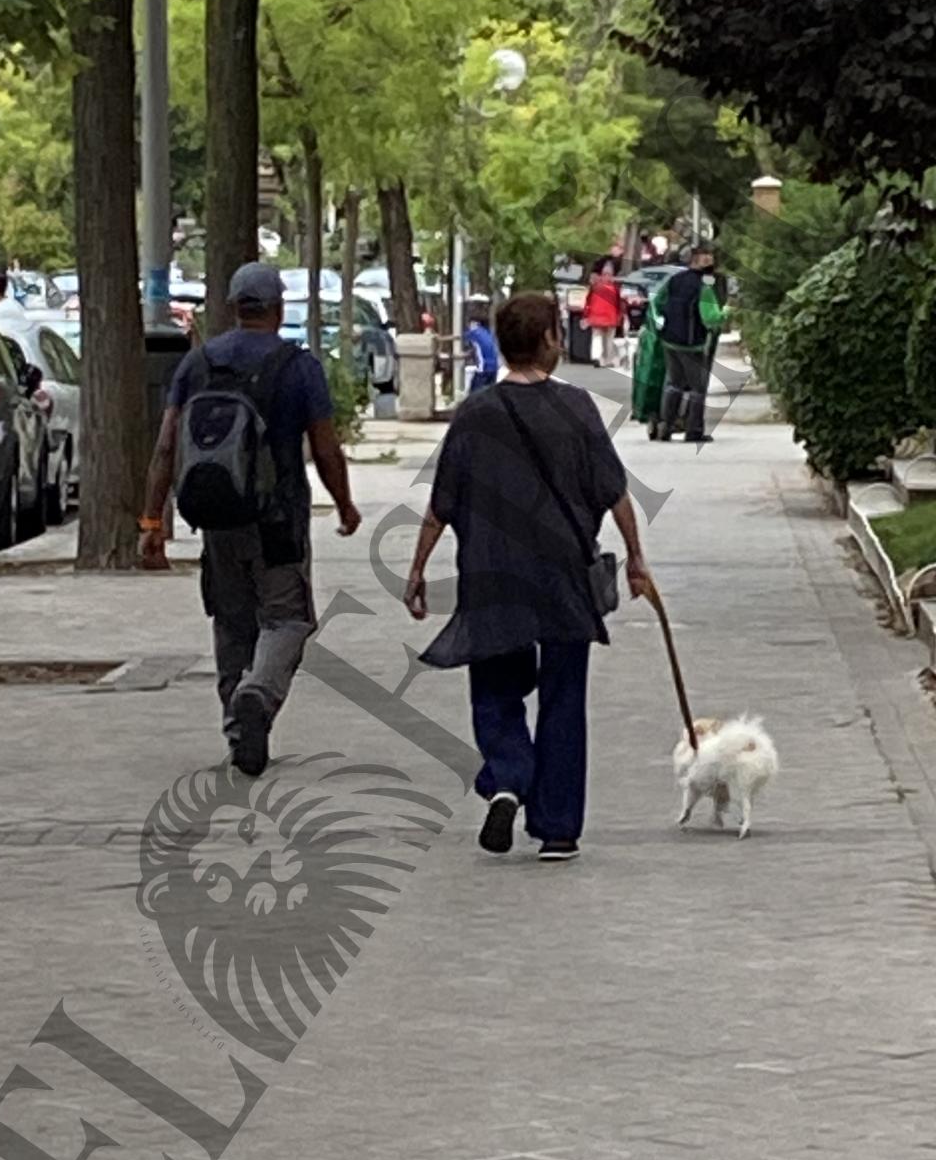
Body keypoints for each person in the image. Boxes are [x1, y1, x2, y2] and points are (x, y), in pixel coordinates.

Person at [404, 292, 651, 864]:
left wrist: (417, 569)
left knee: (495, 686)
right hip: (564, 576)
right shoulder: (576, 408)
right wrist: (636, 559)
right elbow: (614, 492)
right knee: (564, 695)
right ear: (546, 341)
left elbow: (442, 503)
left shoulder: (475, 413)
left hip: (492, 576)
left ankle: (510, 775)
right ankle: (558, 828)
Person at [139, 262, 361, 777]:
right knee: (288, 619)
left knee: (231, 623)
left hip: (216, 519)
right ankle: (257, 695)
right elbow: (325, 447)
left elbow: (166, 446)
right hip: (279, 521)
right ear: (278, 309)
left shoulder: (197, 363)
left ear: (235, 307)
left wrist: (152, 522)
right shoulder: (297, 367)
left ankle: (240, 735)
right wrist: (345, 504)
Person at [653, 245, 729, 443]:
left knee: (673, 384)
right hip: (692, 343)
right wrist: (727, 312)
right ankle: (694, 430)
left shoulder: (674, 281)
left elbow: (658, 304)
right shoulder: (704, 287)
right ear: (698, 261)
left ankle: (665, 427)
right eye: (707, 259)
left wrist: (663, 324)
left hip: (670, 340)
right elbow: (710, 317)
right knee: (697, 388)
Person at [581, 256, 623, 368]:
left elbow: (588, 302)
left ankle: (597, 357)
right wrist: (620, 317)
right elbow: (619, 304)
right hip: (610, 317)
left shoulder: (595, 287)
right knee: (608, 339)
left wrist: (585, 315)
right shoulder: (615, 288)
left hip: (596, 317)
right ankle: (607, 359)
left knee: (597, 337)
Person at [465, 304, 500, 392]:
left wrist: (439, 338)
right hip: (495, 368)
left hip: (484, 368)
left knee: (474, 394)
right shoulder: (487, 332)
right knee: (490, 394)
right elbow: (480, 349)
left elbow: (458, 338)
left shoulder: (474, 332)